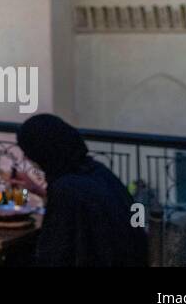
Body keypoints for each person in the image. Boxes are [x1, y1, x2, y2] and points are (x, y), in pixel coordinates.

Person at [13, 113, 148, 266]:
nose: (27, 158)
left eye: (28, 153)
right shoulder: (97, 172)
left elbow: (55, 255)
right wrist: (38, 190)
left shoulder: (67, 189)